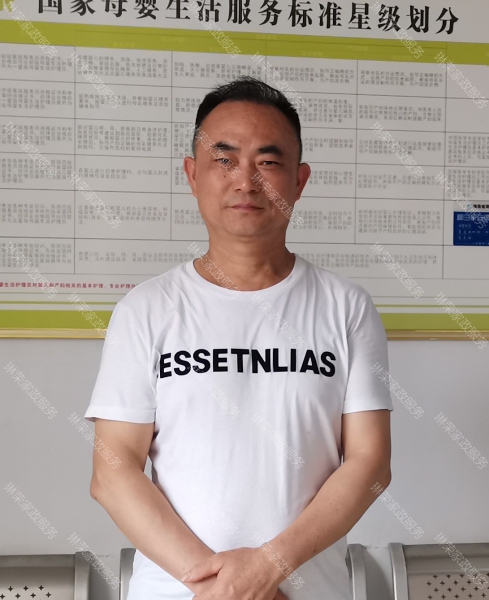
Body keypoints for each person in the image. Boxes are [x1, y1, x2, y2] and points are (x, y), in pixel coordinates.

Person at [84, 75, 393, 600]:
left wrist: (268, 568)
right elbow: (113, 473)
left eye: (268, 161)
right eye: (224, 159)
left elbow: (370, 464)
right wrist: (225, 587)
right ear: (192, 174)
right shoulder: (146, 309)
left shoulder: (346, 307)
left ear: (299, 180)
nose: (246, 181)